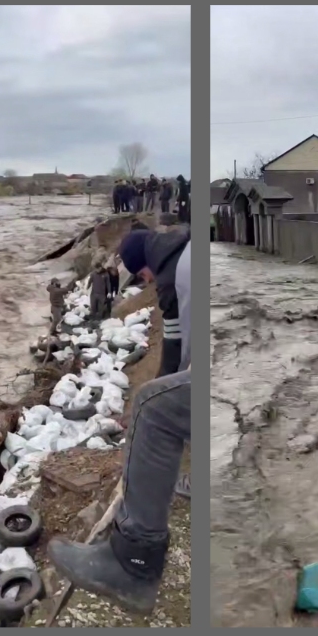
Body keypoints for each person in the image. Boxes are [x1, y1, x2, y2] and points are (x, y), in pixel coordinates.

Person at [48, 238, 191, 615]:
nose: (143, 280)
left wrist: (157, 394)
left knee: (151, 407)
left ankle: (135, 563)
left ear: (144, 263)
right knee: (163, 403)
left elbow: (174, 355)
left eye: (140, 273)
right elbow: (178, 360)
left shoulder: (172, 272)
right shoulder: (182, 255)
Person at [115, 229, 189, 377]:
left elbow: (175, 347)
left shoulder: (170, 282)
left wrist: (159, 386)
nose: (147, 280)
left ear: (146, 260)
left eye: (142, 274)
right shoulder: (184, 240)